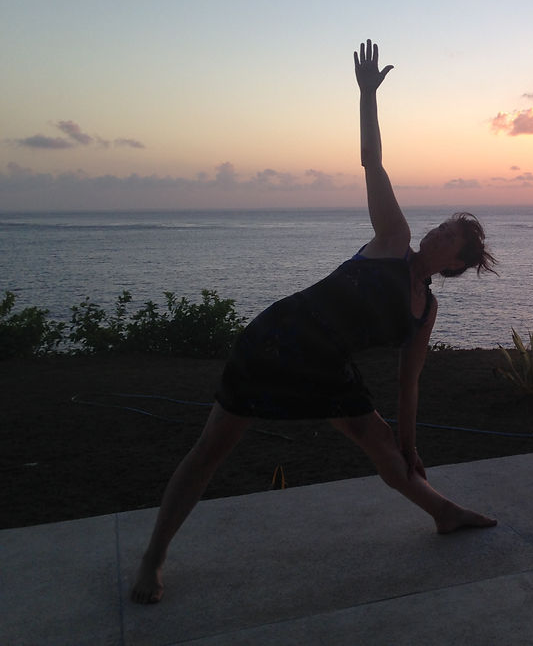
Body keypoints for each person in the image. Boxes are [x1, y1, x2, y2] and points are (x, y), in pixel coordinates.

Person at [130, 40, 498, 605]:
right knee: (211, 450)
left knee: (382, 445)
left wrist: (410, 443)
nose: (439, 233)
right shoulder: (392, 240)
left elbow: (408, 384)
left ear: (455, 264)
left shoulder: (425, 311)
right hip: (279, 341)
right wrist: (367, 97)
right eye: (445, 225)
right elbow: (373, 161)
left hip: (329, 366)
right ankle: (153, 559)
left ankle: (444, 513)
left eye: (452, 237)